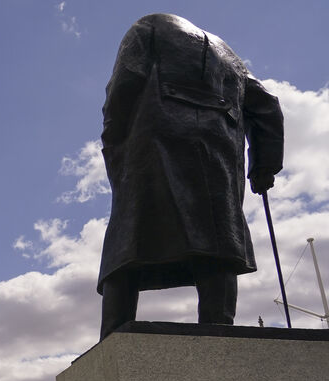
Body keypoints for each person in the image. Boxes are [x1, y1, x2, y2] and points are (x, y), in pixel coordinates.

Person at [98, 13, 284, 340]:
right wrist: (264, 165)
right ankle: (219, 327)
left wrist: (113, 139)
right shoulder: (230, 57)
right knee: (217, 234)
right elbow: (267, 106)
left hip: (154, 143)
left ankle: (114, 334)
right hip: (219, 151)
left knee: (129, 235)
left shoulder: (148, 28)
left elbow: (123, 86)